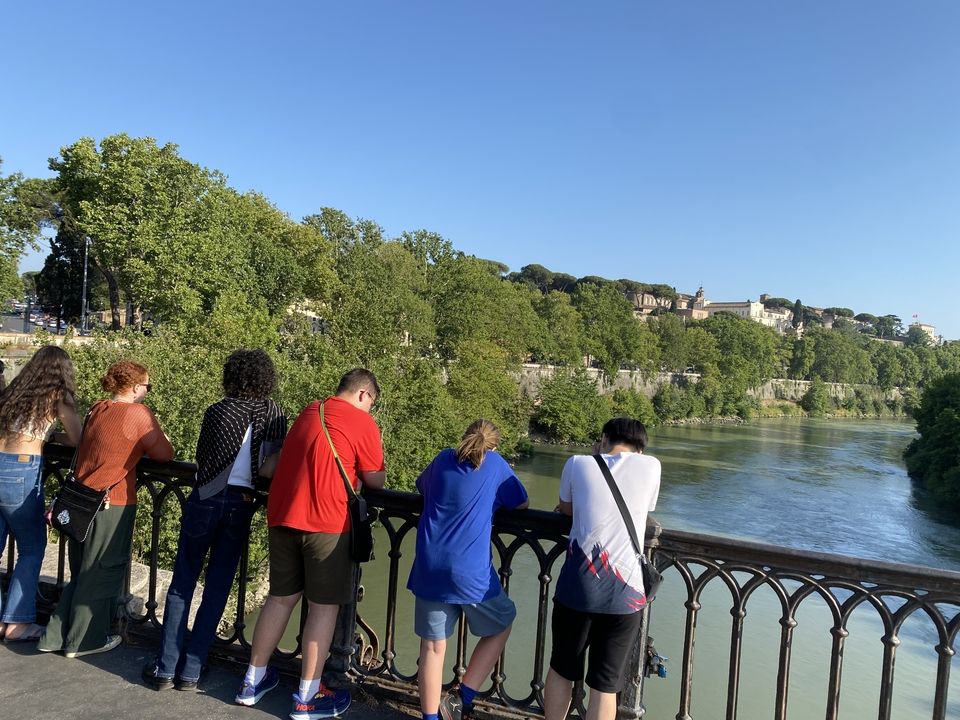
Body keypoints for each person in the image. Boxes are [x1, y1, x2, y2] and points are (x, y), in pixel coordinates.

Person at [236, 368, 386, 720]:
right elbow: (376, 479)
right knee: (323, 607)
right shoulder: (362, 422)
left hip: (283, 515)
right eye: (372, 404)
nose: (370, 410)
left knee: (280, 598)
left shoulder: (311, 410)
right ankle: (307, 696)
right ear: (364, 395)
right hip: (326, 524)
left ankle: (251, 681)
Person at [142, 349, 287, 691]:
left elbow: (204, 461)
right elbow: (275, 464)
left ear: (231, 377)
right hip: (242, 501)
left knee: (182, 582)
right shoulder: (273, 413)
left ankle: (165, 668)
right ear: (265, 378)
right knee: (218, 586)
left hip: (204, 500)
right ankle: (191, 670)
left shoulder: (217, 411)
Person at [38, 360, 174, 657]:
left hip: (79, 499)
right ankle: (85, 640)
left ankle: (55, 636)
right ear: (136, 387)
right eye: (147, 386)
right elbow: (164, 454)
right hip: (112, 502)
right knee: (103, 569)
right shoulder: (138, 414)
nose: (147, 392)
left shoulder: (97, 408)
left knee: (82, 570)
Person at [408, 420, 529, 720]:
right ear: (495, 446)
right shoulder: (497, 465)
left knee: (433, 647)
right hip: (470, 571)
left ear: (464, 438)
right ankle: (463, 697)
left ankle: (430, 717)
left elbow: (420, 486)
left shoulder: (442, 459)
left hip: (430, 564)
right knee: (502, 623)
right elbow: (522, 502)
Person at [543, 417, 661, 720]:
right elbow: (646, 509)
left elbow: (567, 507)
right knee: (605, 685)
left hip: (577, 589)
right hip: (626, 595)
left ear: (604, 438)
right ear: (641, 446)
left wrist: (597, 454)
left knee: (561, 669)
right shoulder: (652, 466)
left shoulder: (578, 463)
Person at [0, 346, 82, 643]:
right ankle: (17, 623)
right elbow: (78, 438)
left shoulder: (15, 390)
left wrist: (46, 434)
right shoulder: (58, 396)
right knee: (32, 547)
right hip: (21, 470)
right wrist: (55, 435)